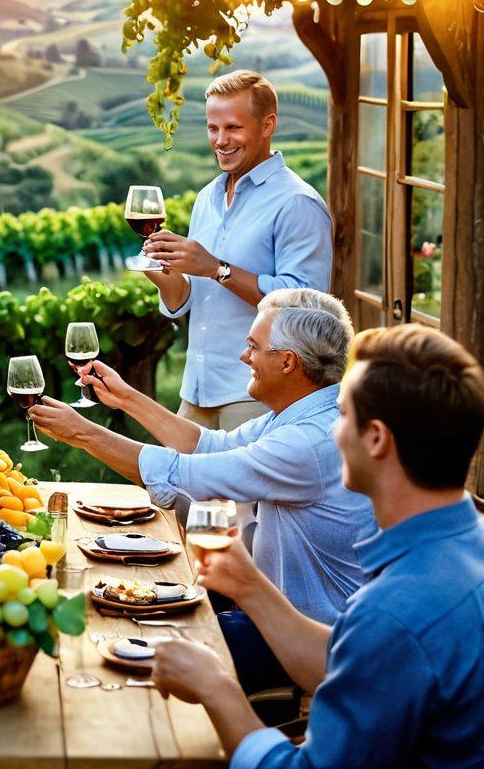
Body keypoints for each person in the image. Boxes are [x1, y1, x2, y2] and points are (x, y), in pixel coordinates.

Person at [150, 324, 484, 769]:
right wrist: (250, 586)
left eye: (341, 414)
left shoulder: (395, 611)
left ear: (376, 439)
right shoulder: (466, 544)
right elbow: (354, 662)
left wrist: (216, 686)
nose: (332, 430)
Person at [30, 288, 376, 691]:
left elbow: (186, 475)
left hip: (306, 639)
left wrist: (84, 434)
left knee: (130, 648)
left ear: (287, 362)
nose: (243, 356)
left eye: (253, 347)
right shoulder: (301, 414)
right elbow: (210, 446)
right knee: (128, 609)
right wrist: (125, 398)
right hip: (272, 612)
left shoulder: (308, 442)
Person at [142, 70, 332, 435]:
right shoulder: (207, 198)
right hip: (195, 392)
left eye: (233, 128)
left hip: (256, 398)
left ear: (267, 125)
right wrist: (165, 276)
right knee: (170, 475)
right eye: (213, 128)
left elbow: (306, 309)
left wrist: (217, 268)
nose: (220, 140)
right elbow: (190, 300)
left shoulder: (297, 203)